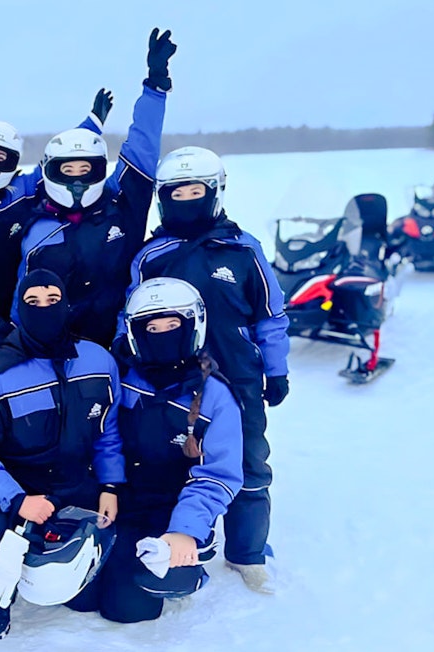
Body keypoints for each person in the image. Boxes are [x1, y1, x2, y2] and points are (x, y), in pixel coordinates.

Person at [116, 146, 290, 593]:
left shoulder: (242, 250)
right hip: (170, 375)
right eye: (176, 192)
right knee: (173, 455)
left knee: (249, 461)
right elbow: (131, 311)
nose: (186, 199)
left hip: (237, 372)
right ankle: (181, 536)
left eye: (195, 190)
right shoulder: (151, 256)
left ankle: (248, 553)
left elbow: (270, 316)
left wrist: (277, 368)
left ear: (214, 192)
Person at [0, 269, 124, 639]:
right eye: (33, 302)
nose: (44, 308)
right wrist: (17, 499)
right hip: (12, 486)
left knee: (90, 598)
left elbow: (108, 432)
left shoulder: (98, 361)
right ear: (19, 309)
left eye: (53, 300)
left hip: (76, 481)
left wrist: (110, 485)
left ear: (67, 306)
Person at [70, 277, 243, 622]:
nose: (162, 333)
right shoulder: (119, 377)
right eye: (152, 326)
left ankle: (189, 564)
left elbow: (217, 476)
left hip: (167, 509)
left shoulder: (216, 397)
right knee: (77, 597)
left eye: (173, 325)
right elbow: (101, 438)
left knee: (126, 609)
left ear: (192, 326)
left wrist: (184, 529)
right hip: (113, 498)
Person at [10, 28, 176, 348]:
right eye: (66, 170)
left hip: (122, 347)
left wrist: (155, 89)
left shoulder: (121, 203)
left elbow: (142, 147)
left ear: (99, 170)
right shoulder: (36, 229)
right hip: (58, 353)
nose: (76, 179)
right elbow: (25, 295)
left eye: (85, 170)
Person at [0, 91, 116, 339]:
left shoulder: (21, 190)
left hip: (21, 306)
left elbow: (58, 161)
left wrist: (92, 126)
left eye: (0, 157)